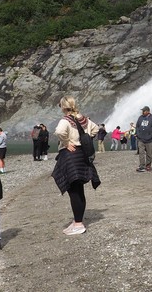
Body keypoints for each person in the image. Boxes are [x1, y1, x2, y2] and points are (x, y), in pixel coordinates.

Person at [52, 96, 100, 235]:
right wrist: (86, 140)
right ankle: (77, 221)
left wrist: (67, 142)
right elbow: (96, 129)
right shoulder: (83, 119)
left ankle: (78, 224)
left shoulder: (65, 120)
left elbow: (60, 132)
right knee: (79, 190)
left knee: (74, 191)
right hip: (82, 155)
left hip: (71, 155)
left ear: (63, 106)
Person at [135, 105, 152, 172]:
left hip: (149, 140)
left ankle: (148, 165)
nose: (142, 112)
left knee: (149, 154)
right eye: (142, 111)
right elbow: (137, 126)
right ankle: (142, 166)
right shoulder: (140, 117)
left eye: (144, 111)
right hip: (141, 139)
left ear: (148, 111)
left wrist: (150, 135)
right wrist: (138, 134)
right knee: (141, 153)